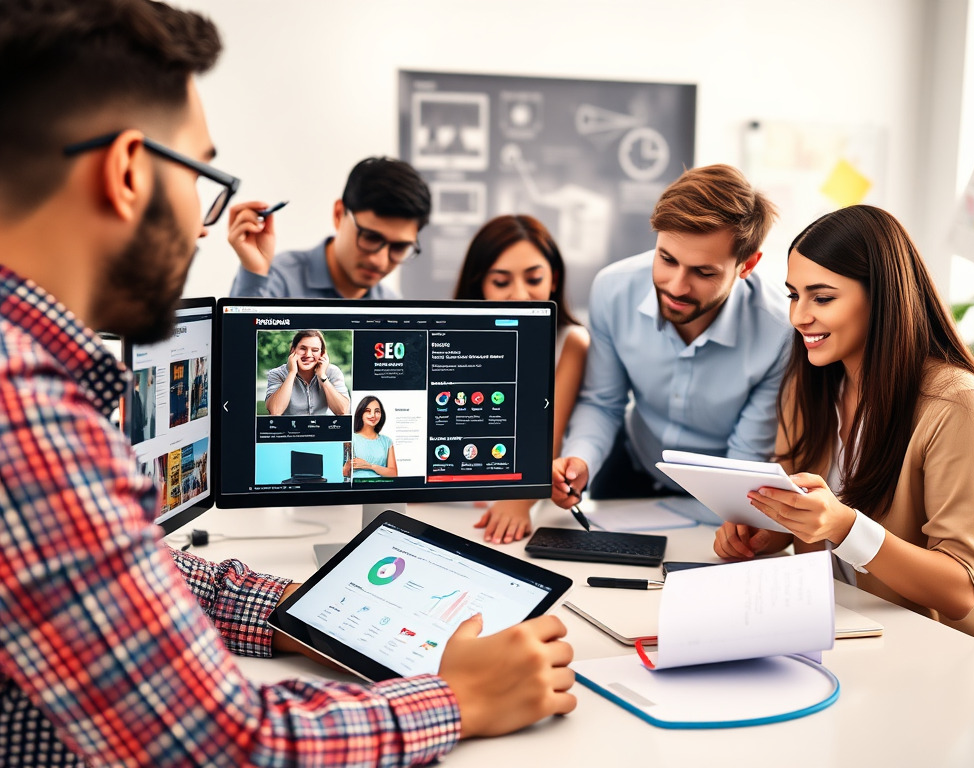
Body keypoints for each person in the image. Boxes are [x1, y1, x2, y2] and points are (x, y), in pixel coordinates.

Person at [0, 3, 575, 766]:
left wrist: (316, 613)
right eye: (200, 177)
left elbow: (137, 568)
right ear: (129, 172)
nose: (203, 225)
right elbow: (229, 748)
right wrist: (459, 698)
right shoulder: (28, 415)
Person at [713, 205, 974, 642]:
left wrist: (844, 526)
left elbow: (959, 589)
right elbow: (803, 507)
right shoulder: (811, 383)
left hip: (926, 651)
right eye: (793, 295)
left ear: (882, 297)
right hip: (830, 628)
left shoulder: (954, 401)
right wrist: (771, 528)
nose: (799, 316)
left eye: (821, 298)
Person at [551, 164, 791, 511]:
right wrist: (579, 460)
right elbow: (603, 402)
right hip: (630, 466)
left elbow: (748, 452)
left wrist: (734, 516)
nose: (677, 286)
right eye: (666, 259)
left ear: (747, 265)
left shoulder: (779, 331)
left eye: (704, 272)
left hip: (719, 489)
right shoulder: (612, 290)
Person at [453, 214, 590, 542]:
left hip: (525, 497)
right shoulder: (452, 338)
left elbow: (548, 437)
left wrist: (518, 501)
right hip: (453, 498)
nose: (520, 294)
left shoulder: (571, 341)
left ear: (553, 278)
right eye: (501, 282)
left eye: (533, 279)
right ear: (480, 284)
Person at [228, 156, 431, 299]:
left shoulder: (391, 305)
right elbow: (239, 356)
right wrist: (254, 272)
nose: (379, 261)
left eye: (399, 248)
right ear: (338, 214)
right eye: (370, 237)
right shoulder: (276, 282)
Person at [265, 329, 350, 416]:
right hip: (291, 428)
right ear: (293, 350)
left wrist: (322, 376)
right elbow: (275, 411)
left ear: (322, 353)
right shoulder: (277, 374)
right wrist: (292, 373)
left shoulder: (333, 372)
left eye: (315, 350)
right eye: (303, 348)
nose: (308, 355)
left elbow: (342, 411)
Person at [345, 395, 397, 479]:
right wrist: (348, 466)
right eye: (367, 411)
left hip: (379, 488)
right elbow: (343, 473)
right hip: (357, 487)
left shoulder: (387, 441)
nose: (373, 415)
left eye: (377, 411)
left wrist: (370, 466)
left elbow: (393, 473)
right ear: (360, 413)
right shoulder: (351, 439)